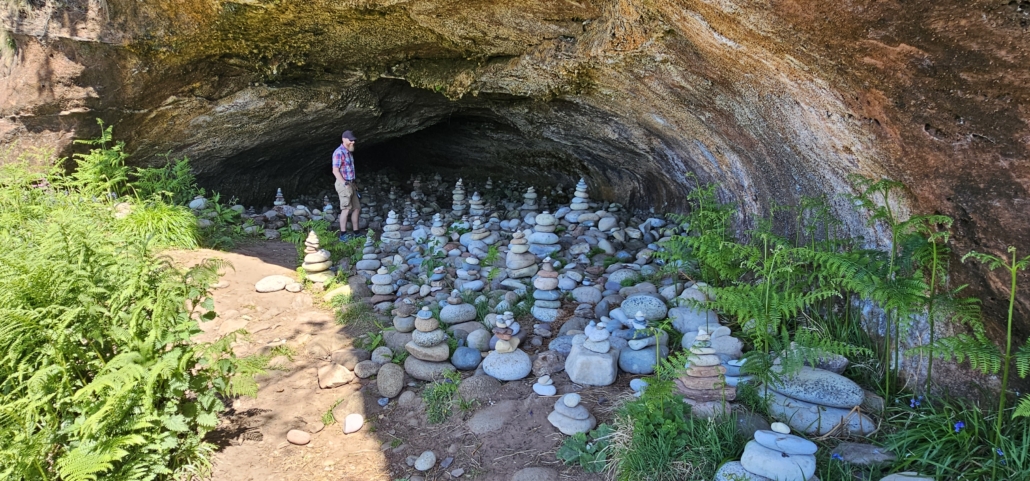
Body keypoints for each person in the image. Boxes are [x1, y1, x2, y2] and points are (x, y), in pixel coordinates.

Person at [332, 130, 360, 240]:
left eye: (354, 140)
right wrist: (345, 183)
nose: (353, 142)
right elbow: (335, 170)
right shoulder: (339, 152)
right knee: (346, 208)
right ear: (344, 139)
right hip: (343, 183)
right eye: (350, 140)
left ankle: (356, 232)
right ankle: (343, 235)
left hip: (351, 183)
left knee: (356, 208)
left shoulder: (349, 152)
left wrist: (353, 183)